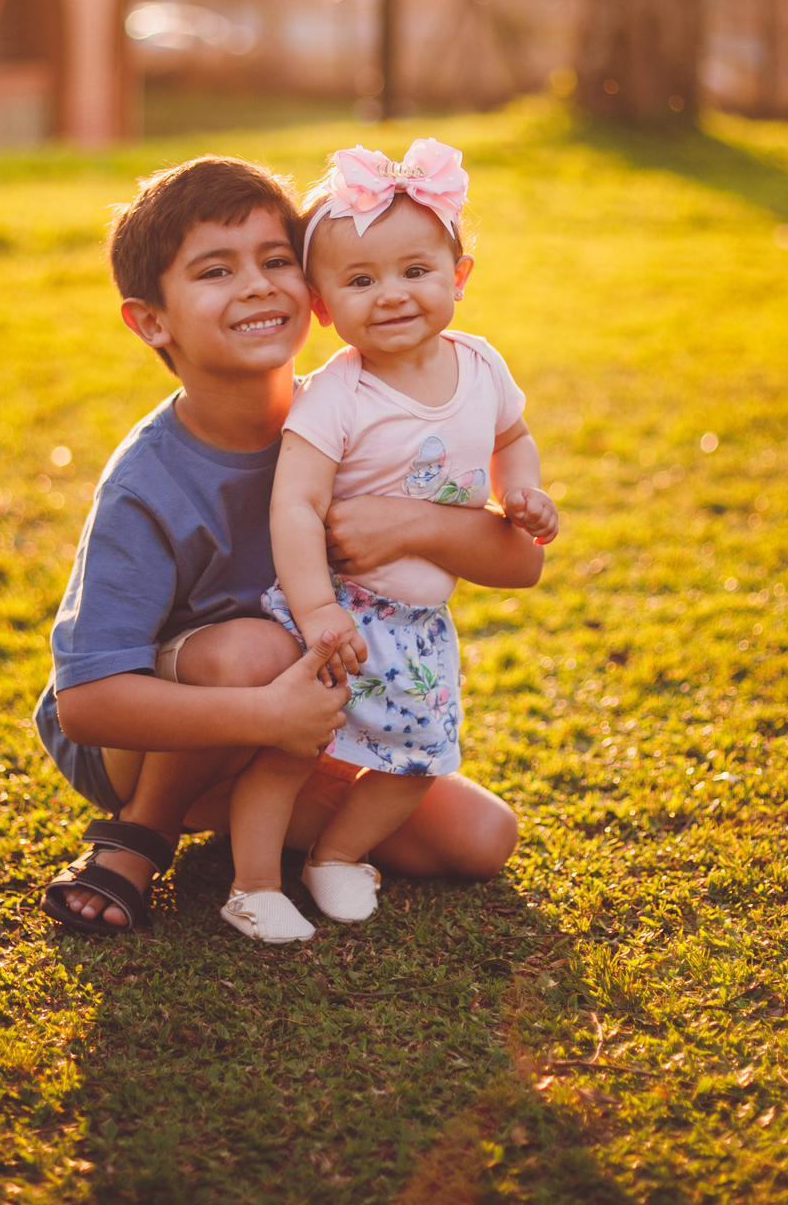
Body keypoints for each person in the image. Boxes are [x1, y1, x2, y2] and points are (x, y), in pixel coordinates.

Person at [37, 154, 543, 937]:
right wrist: (265, 712)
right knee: (258, 649)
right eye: (216, 270)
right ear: (151, 321)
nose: (257, 286)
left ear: (313, 289)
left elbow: (522, 561)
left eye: (277, 261)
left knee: (479, 837)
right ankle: (144, 831)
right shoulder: (148, 483)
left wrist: (410, 523)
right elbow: (87, 705)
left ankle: (254, 815)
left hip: (297, 721)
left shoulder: (362, 418)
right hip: (157, 732)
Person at [219, 139, 558, 944]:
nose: (394, 294)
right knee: (294, 748)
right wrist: (317, 610)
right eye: (362, 281)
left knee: (418, 757)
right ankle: (252, 886)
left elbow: (512, 436)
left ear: (459, 277)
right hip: (340, 609)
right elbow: (296, 505)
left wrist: (522, 492)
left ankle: (336, 855)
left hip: (419, 625)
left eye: (416, 270)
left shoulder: (481, 366)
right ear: (323, 305)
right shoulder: (338, 394)